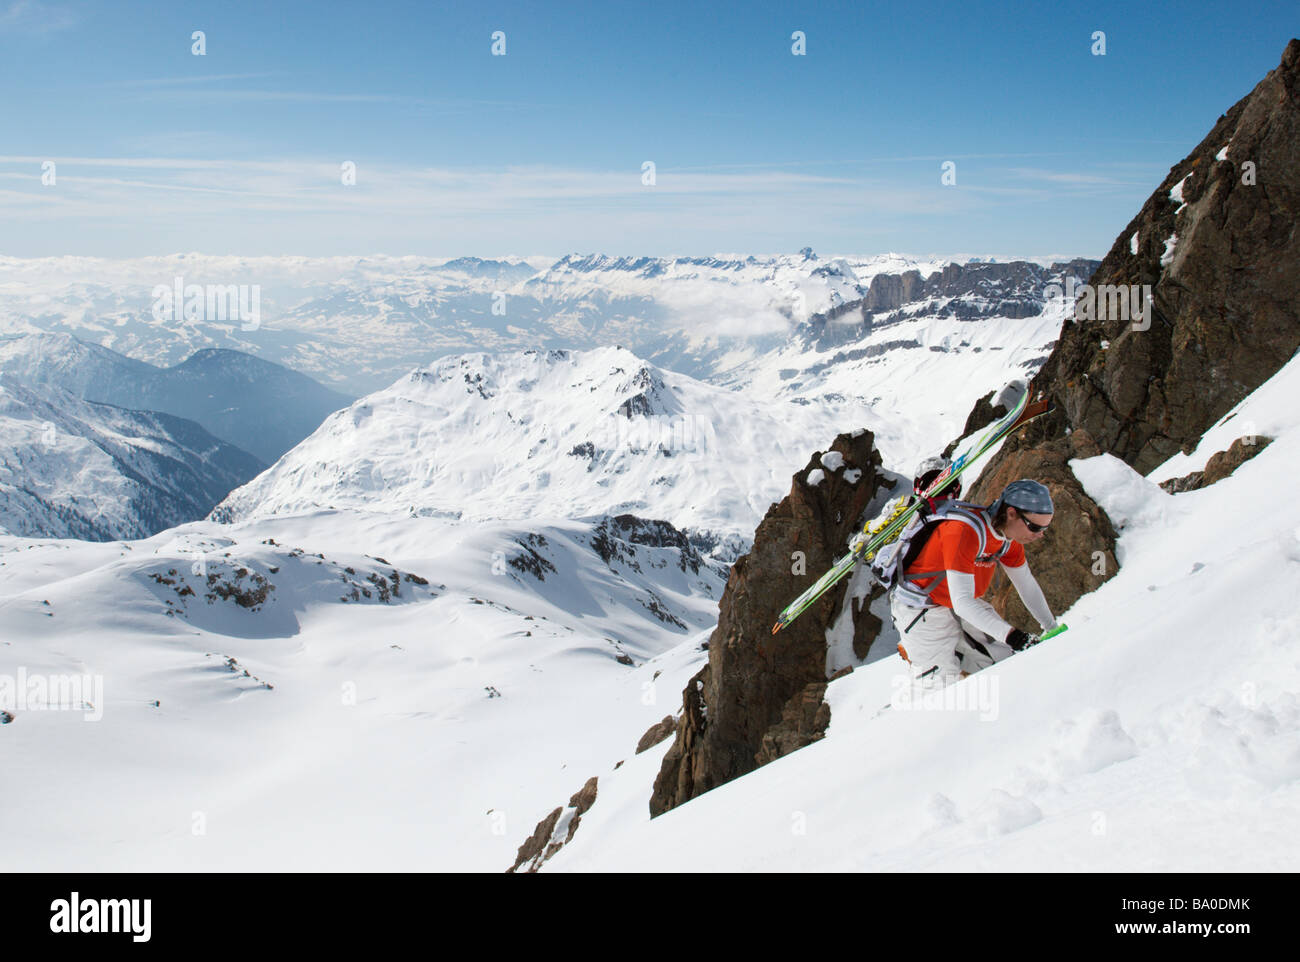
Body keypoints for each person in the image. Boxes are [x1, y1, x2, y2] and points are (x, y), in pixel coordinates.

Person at [891, 478, 1058, 690]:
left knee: (1006, 662)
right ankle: (917, 654)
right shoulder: (963, 532)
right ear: (1012, 513)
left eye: (1045, 528)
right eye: (1035, 527)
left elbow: (1026, 584)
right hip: (921, 611)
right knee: (940, 689)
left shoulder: (1008, 541)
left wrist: (1051, 628)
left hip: (960, 604)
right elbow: (963, 603)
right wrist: (1014, 637)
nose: (1040, 535)